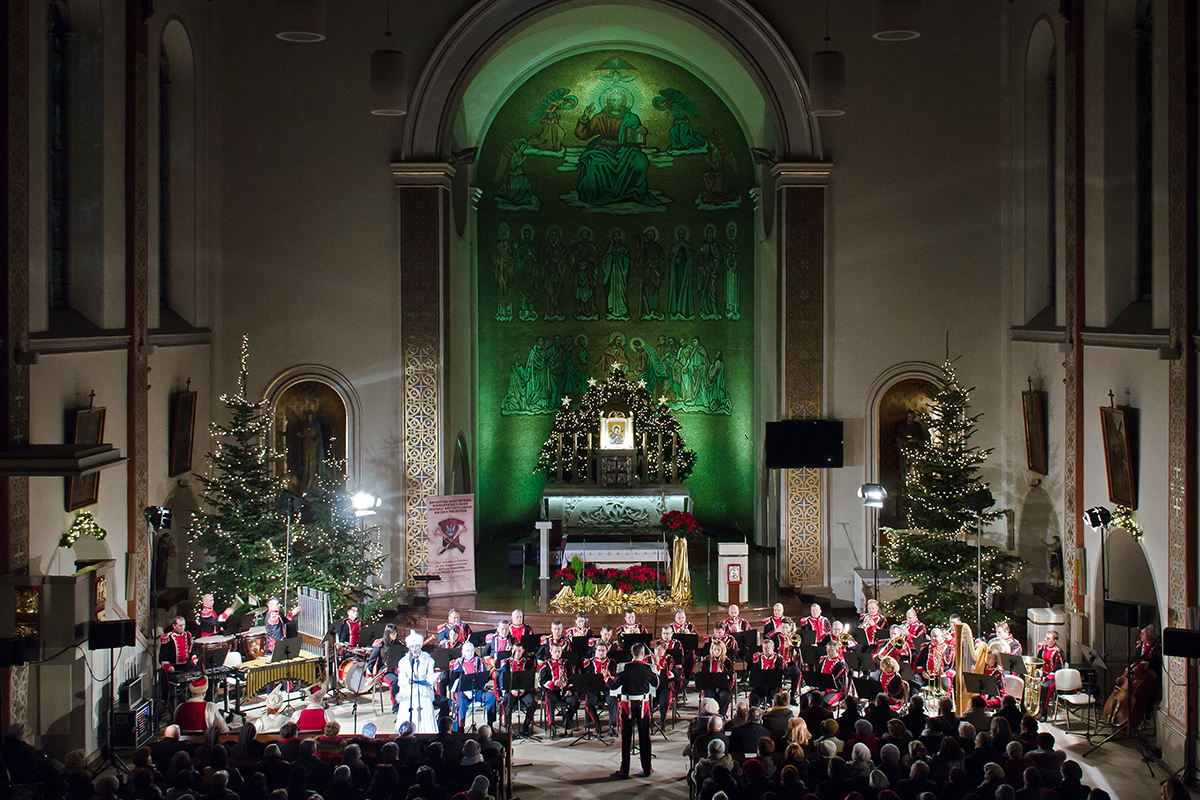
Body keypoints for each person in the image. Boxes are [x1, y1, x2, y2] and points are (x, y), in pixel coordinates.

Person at [609, 642, 658, 779]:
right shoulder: (648, 668)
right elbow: (656, 683)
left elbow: (614, 686)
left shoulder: (624, 668)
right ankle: (647, 769)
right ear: (643, 654)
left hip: (627, 704)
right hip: (643, 704)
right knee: (645, 737)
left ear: (631, 653)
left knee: (626, 737)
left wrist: (606, 678)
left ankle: (625, 771)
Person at [396, 629, 438, 733]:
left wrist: (427, 681)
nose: (414, 649)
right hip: (409, 691)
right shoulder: (404, 661)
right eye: (412, 646)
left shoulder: (428, 659)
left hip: (423, 691)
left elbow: (430, 675)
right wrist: (408, 682)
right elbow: (401, 679)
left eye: (417, 646)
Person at [451, 641, 497, 731]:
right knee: (461, 702)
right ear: (462, 652)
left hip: (477, 691)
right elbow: (453, 681)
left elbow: (484, 677)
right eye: (467, 651)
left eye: (472, 650)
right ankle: (461, 728)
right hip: (463, 692)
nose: (470, 653)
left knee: (491, 697)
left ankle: (489, 724)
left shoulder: (479, 661)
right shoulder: (458, 663)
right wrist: (465, 691)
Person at [539, 642, 579, 735]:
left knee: (575, 701)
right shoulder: (546, 664)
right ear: (551, 652)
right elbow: (542, 681)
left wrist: (569, 690)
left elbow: (572, 679)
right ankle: (552, 725)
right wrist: (553, 683)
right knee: (550, 701)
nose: (557, 654)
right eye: (555, 652)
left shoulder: (567, 663)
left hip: (565, 691)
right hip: (552, 691)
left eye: (559, 652)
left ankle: (567, 718)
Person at [583, 640, 618, 734]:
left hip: (607, 689)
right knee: (589, 701)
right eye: (599, 650)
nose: (601, 653)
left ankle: (612, 726)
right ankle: (597, 723)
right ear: (595, 651)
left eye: (603, 651)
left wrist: (608, 676)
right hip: (594, 689)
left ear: (606, 651)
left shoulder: (611, 663)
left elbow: (615, 678)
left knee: (613, 700)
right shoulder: (589, 663)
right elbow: (586, 678)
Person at [501, 642, 536, 734]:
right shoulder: (506, 662)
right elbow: (503, 679)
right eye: (515, 651)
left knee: (532, 703)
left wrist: (523, 689)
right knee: (507, 702)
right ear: (512, 650)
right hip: (511, 691)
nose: (517, 653)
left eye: (519, 651)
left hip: (524, 691)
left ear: (523, 651)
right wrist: (511, 690)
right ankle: (508, 726)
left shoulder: (528, 662)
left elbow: (531, 679)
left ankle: (526, 725)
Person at [367, 623, 403, 712]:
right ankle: (396, 706)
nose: (395, 635)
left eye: (395, 633)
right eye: (392, 633)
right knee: (395, 680)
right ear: (387, 634)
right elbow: (371, 662)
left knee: (404, 678)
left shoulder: (398, 644)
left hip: (395, 669)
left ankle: (404, 703)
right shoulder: (380, 644)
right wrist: (369, 676)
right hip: (384, 671)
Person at [1035, 630, 1065, 718]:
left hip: (1053, 676)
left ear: (1054, 641)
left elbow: (1060, 669)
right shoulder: (1043, 648)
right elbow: (1038, 661)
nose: (1045, 639)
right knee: (1031, 682)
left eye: (1048, 638)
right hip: (1043, 673)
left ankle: (1044, 712)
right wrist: (1038, 673)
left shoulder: (1058, 652)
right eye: (1046, 637)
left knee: (1045, 687)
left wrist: (1047, 677)